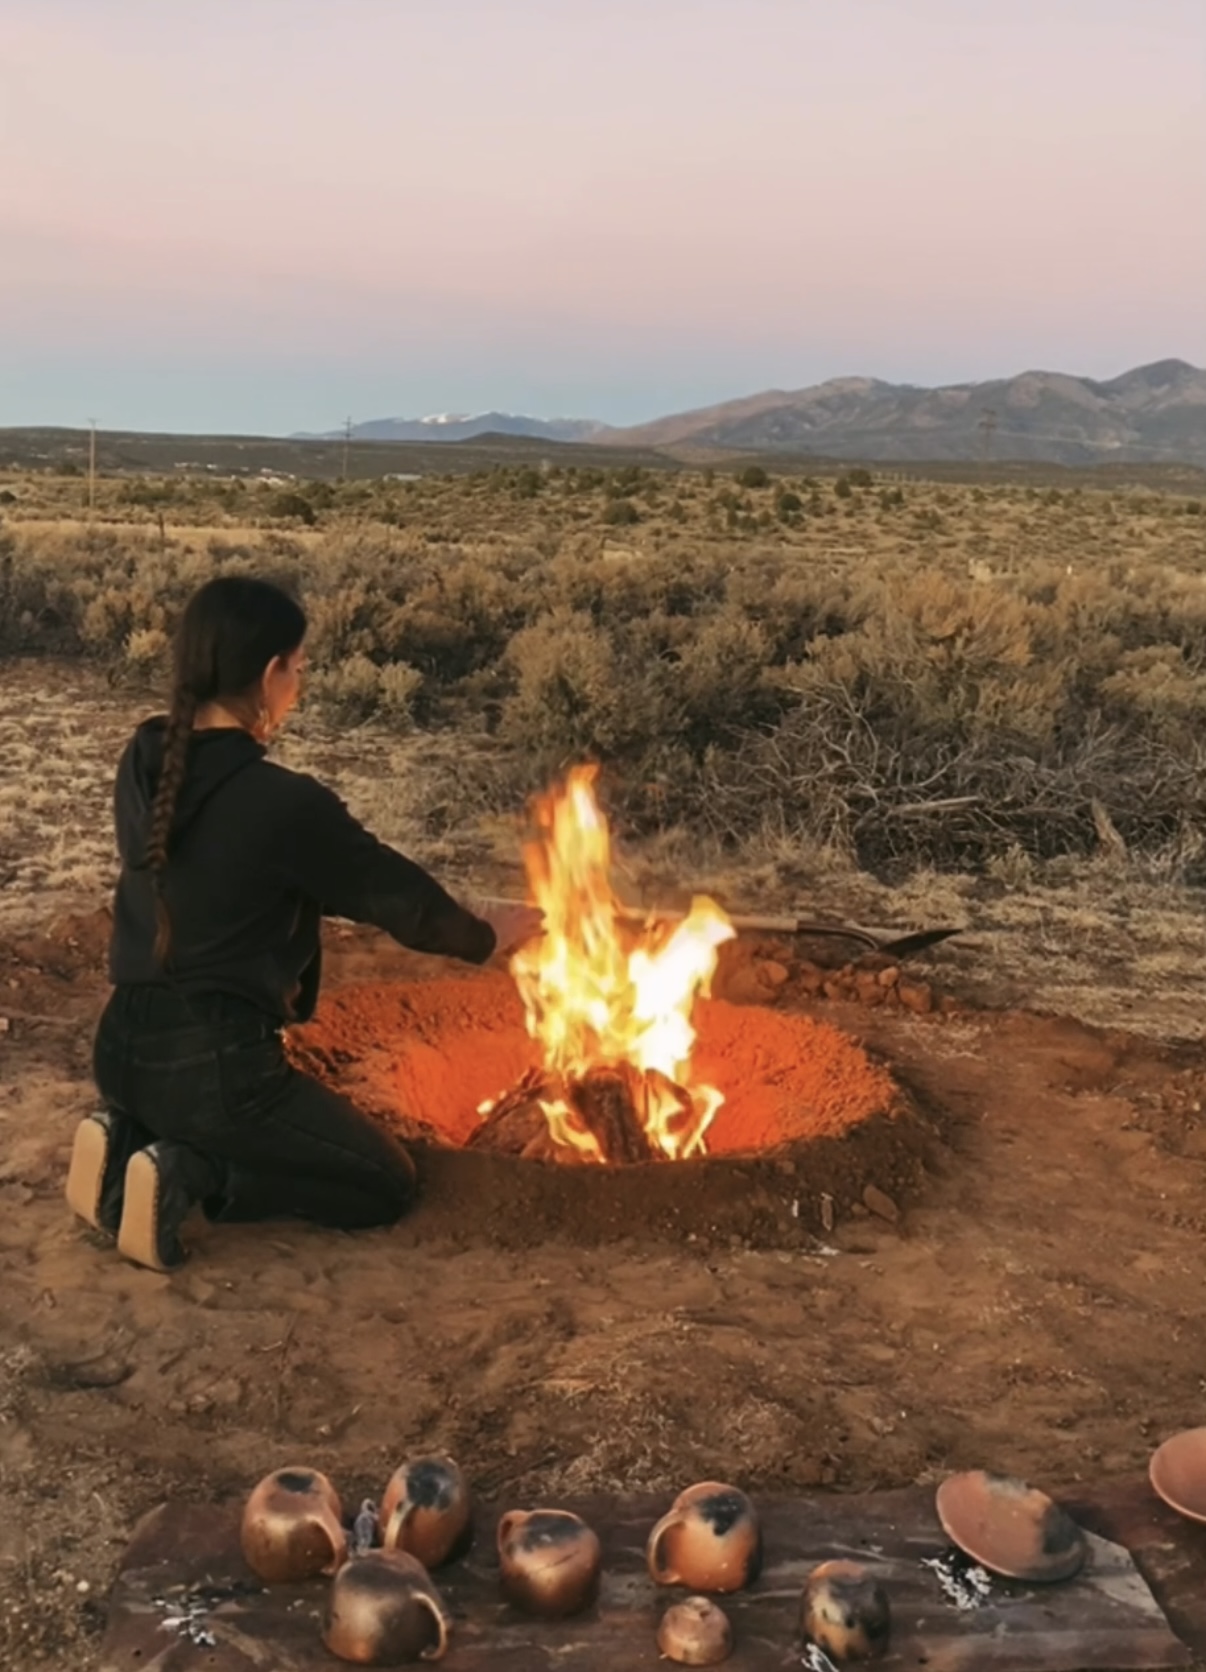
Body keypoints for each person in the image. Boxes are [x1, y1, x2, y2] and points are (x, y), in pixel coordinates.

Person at [65, 575, 541, 1273]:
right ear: (268, 674)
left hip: (121, 1048)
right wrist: (487, 933)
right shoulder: (281, 803)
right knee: (382, 1182)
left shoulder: (143, 763)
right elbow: (390, 893)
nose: (302, 682)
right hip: (217, 1070)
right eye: (300, 666)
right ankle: (193, 1173)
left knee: (202, 1107)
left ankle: (125, 1134)